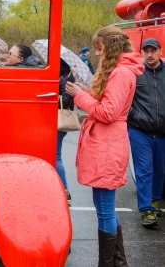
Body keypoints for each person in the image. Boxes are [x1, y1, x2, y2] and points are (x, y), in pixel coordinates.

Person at [66, 26, 144, 267]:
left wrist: (81, 96)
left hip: (107, 144)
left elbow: (108, 113)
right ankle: (117, 262)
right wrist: (87, 92)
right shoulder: (120, 71)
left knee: (105, 210)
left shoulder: (121, 73)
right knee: (105, 208)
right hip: (107, 143)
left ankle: (108, 263)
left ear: (110, 48)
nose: (97, 54)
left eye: (100, 49)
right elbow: (109, 105)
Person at [127, 38, 165, 227]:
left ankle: (155, 201)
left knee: (160, 170)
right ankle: (146, 210)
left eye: (153, 51)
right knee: (144, 170)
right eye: (146, 51)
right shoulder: (136, 72)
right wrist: (135, 115)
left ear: (159, 51)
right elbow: (125, 97)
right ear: (141, 52)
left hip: (163, 132)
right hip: (140, 130)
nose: (149, 55)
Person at [57, 59, 75, 204]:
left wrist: (52, 96)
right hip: (59, 122)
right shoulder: (65, 78)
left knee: (56, 157)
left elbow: (66, 100)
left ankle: (65, 190)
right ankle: (64, 190)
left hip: (60, 122)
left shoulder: (67, 79)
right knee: (56, 157)